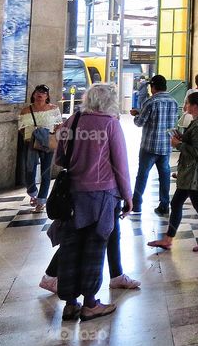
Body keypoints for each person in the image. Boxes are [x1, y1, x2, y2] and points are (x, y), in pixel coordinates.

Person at [50, 84, 133, 321]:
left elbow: (59, 158)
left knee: (70, 248)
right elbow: (120, 164)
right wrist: (128, 196)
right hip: (102, 197)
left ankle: (70, 304)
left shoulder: (72, 121)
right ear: (109, 102)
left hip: (72, 197)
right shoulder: (110, 124)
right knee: (94, 249)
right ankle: (90, 303)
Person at [147, 93, 198, 252]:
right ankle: (168, 239)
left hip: (194, 173)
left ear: (195, 106)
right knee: (177, 203)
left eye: (187, 103)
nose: (185, 105)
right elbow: (197, 144)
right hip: (192, 173)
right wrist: (182, 138)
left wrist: (178, 144)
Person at [131, 74, 177, 215]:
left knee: (142, 175)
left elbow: (140, 122)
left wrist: (136, 115)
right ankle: (164, 205)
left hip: (149, 147)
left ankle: (136, 204)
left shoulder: (151, 102)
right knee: (164, 176)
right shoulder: (174, 102)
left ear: (153, 87)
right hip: (166, 146)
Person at [18, 85, 61, 213]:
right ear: (34, 94)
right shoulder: (26, 110)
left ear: (47, 96)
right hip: (30, 143)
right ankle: (32, 192)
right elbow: (21, 128)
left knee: (45, 172)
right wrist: (30, 137)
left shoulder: (54, 109)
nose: (40, 95)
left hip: (47, 143)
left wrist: (51, 136)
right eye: (38, 92)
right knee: (29, 170)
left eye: (43, 93)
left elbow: (59, 125)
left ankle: (41, 201)